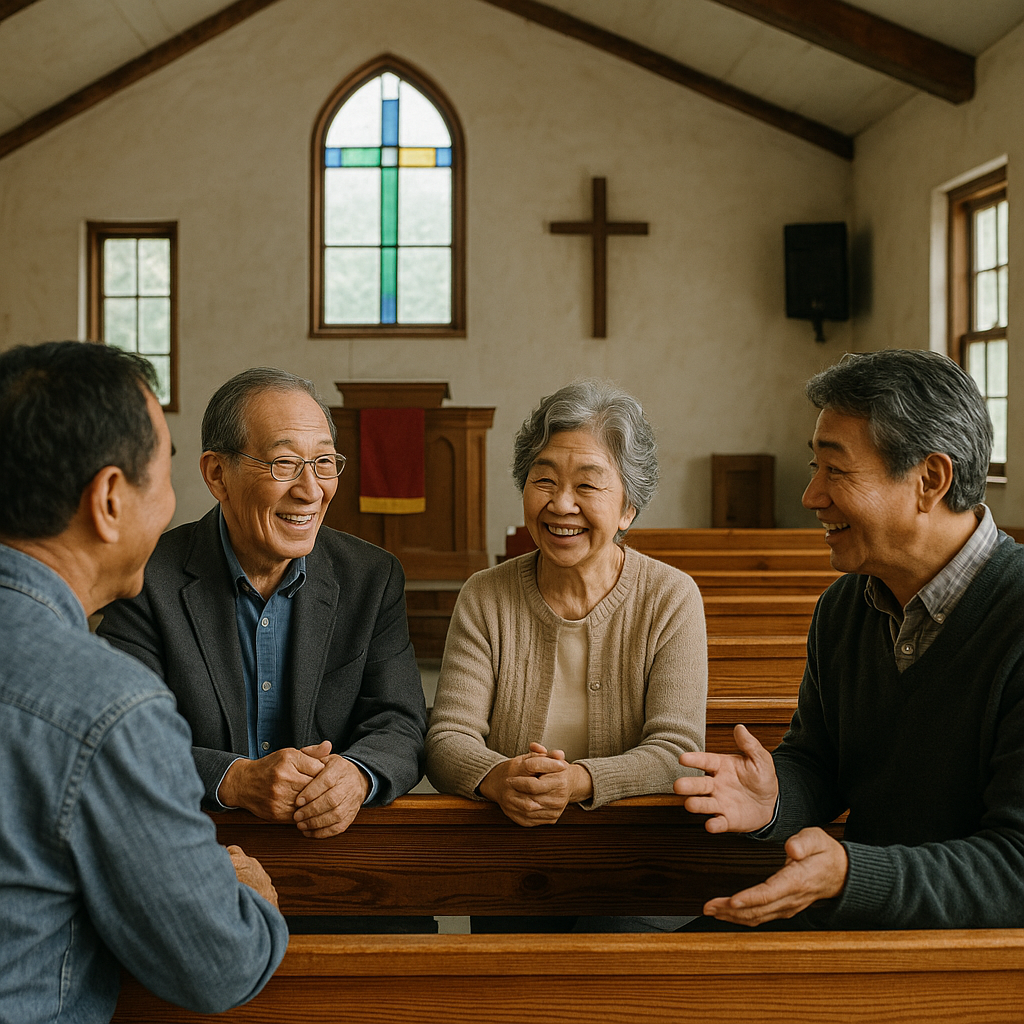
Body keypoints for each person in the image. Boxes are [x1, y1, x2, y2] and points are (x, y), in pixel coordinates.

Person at [676, 348, 1024, 930]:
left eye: (835, 470)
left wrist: (849, 873)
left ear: (929, 480)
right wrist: (775, 798)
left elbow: (1015, 870)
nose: (811, 496)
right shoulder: (847, 605)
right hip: (859, 920)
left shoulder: (1012, 616)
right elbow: (821, 762)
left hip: (975, 967)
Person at [0, 341, 288, 1022]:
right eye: (160, 478)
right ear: (108, 499)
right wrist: (237, 884)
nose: (170, 506)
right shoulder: (107, 704)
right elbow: (219, 964)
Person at [426, 379, 707, 932]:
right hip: (513, 868)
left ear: (628, 508)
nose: (561, 505)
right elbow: (446, 740)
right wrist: (499, 777)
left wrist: (577, 781)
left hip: (633, 870)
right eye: (543, 481)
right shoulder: (486, 594)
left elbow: (677, 750)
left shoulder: (670, 596)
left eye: (587, 485)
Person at [98, 368, 427, 836]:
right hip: (194, 845)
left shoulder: (371, 577)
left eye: (324, 462)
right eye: (285, 464)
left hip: (337, 852)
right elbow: (122, 736)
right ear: (217, 474)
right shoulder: (146, 577)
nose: (311, 490)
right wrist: (233, 779)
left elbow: (401, 721)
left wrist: (356, 774)